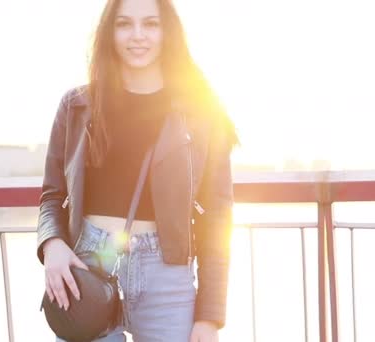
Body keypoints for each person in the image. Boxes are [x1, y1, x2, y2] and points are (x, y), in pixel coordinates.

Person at [36, 0, 238, 341]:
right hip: (88, 264)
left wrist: (210, 316)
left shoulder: (201, 114)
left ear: (167, 32)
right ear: (109, 33)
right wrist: (52, 244)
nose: (138, 35)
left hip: (166, 275)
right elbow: (52, 195)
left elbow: (218, 216)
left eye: (151, 24)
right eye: (124, 24)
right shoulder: (77, 106)